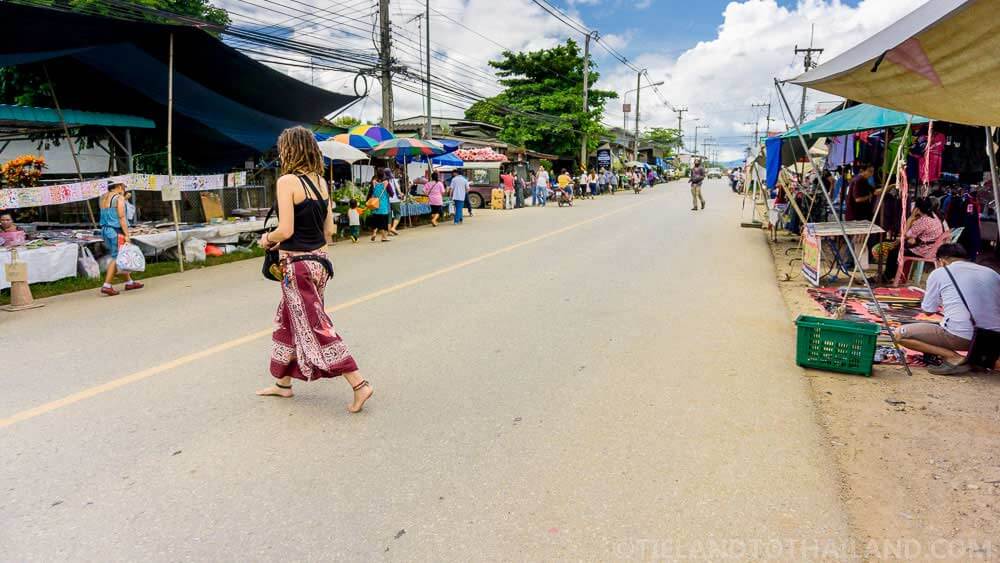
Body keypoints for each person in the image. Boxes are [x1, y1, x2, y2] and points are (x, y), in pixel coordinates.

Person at [256, 126, 372, 411]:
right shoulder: (320, 182)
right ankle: (283, 384)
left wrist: (266, 239)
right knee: (288, 320)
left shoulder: (287, 182)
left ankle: (359, 384)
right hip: (319, 263)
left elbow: (285, 230)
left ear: (288, 150)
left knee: (314, 325)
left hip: (297, 267)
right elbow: (329, 230)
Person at [895, 244, 1000, 375]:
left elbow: (928, 311)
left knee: (900, 334)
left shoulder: (940, 272)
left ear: (942, 261)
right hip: (994, 339)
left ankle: (954, 357)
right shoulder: (992, 273)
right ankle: (979, 360)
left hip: (962, 337)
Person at [880, 197, 944, 282]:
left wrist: (911, 218)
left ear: (917, 209)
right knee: (898, 247)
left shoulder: (924, 220)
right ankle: (892, 276)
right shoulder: (934, 217)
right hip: (932, 249)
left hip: (924, 251)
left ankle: (887, 276)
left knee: (894, 252)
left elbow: (904, 234)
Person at [98, 181, 143, 296]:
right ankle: (107, 285)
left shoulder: (103, 197)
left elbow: (110, 210)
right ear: (118, 186)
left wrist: (123, 197)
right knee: (116, 257)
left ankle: (129, 282)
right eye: (123, 186)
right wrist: (127, 235)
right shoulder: (119, 198)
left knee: (119, 255)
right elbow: (121, 217)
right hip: (116, 231)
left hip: (105, 230)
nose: (124, 188)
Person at [366, 169, 391, 242]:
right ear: (383, 175)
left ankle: (374, 233)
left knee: (376, 220)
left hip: (375, 204)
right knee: (383, 222)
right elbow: (391, 193)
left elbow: (369, 193)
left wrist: (367, 201)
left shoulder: (373, 183)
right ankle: (384, 237)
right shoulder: (386, 183)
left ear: (377, 175)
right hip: (383, 206)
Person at [386, 168, 402, 236]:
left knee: (389, 215)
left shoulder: (383, 181)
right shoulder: (394, 180)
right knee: (398, 214)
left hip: (387, 201)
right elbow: (398, 190)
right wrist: (401, 195)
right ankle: (393, 228)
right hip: (395, 200)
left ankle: (389, 231)